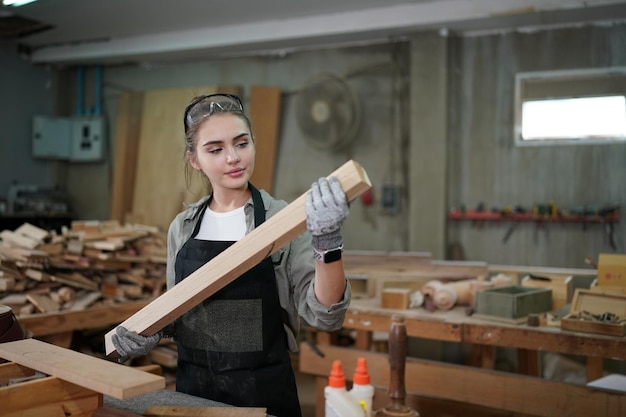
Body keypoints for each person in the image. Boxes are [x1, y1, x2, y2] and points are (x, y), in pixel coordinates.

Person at [112, 93, 352, 417]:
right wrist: (153, 331)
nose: (233, 158)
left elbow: (325, 316)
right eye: (215, 149)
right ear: (194, 159)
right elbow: (181, 309)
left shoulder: (283, 221)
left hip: (264, 395)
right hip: (193, 396)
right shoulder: (182, 229)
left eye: (241, 143)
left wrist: (328, 243)